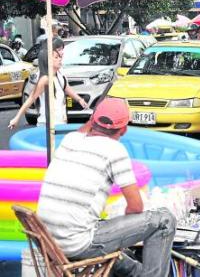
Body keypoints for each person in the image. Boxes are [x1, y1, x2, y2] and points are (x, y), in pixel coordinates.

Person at [36, 97, 176, 276]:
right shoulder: (114, 150)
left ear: (93, 120)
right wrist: (128, 225)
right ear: (124, 130)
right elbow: (136, 207)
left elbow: (86, 128)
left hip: (49, 242)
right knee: (164, 220)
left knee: (120, 250)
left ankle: (138, 273)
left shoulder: (70, 140)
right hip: (78, 244)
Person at [8, 38, 88, 129]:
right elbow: (31, 98)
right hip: (46, 125)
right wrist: (16, 118)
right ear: (48, 60)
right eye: (56, 57)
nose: (60, 59)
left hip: (61, 123)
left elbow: (67, 88)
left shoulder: (60, 75)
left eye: (60, 55)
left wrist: (80, 100)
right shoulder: (45, 79)